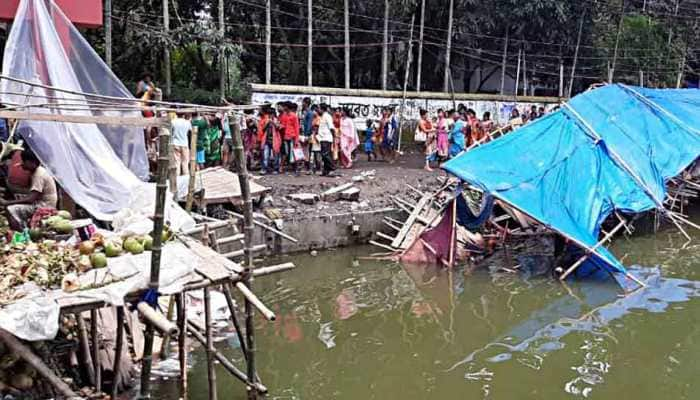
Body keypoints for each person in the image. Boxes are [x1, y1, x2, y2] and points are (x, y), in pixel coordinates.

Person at [1, 149, 57, 230]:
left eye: (25, 161)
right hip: (42, 202)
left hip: (44, 206)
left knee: (10, 209)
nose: (23, 164)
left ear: (32, 162)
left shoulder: (39, 175)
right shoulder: (37, 170)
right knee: (17, 200)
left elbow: (30, 199)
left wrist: (7, 202)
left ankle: (21, 231)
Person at [279, 102, 301, 175]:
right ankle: (288, 167)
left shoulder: (294, 116)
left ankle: (296, 169)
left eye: (284, 106)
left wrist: (296, 140)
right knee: (286, 153)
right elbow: (283, 125)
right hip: (286, 137)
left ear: (287, 107)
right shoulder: (284, 115)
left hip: (292, 137)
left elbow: (297, 128)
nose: (283, 107)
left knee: (293, 153)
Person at [258, 108, 281, 174]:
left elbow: (278, 127)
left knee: (276, 155)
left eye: (271, 114)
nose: (270, 116)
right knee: (265, 155)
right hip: (266, 140)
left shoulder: (277, 120)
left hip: (275, 140)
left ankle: (276, 169)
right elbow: (263, 129)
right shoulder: (266, 120)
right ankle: (264, 169)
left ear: (273, 114)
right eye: (269, 114)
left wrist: (273, 122)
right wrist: (267, 123)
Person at [317, 104, 336, 176]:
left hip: (326, 138)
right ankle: (326, 170)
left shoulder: (327, 116)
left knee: (326, 154)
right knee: (324, 155)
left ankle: (332, 169)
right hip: (322, 138)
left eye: (318, 109)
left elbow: (331, 127)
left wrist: (334, 137)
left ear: (322, 109)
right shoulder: (322, 117)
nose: (317, 110)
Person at [309, 107, 322, 174]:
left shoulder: (319, 119)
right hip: (313, 137)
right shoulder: (313, 119)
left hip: (317, 138)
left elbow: (317, 128)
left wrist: (315, 134)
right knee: (312, 156)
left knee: (317, 156)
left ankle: (318, 169)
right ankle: (312, 169)